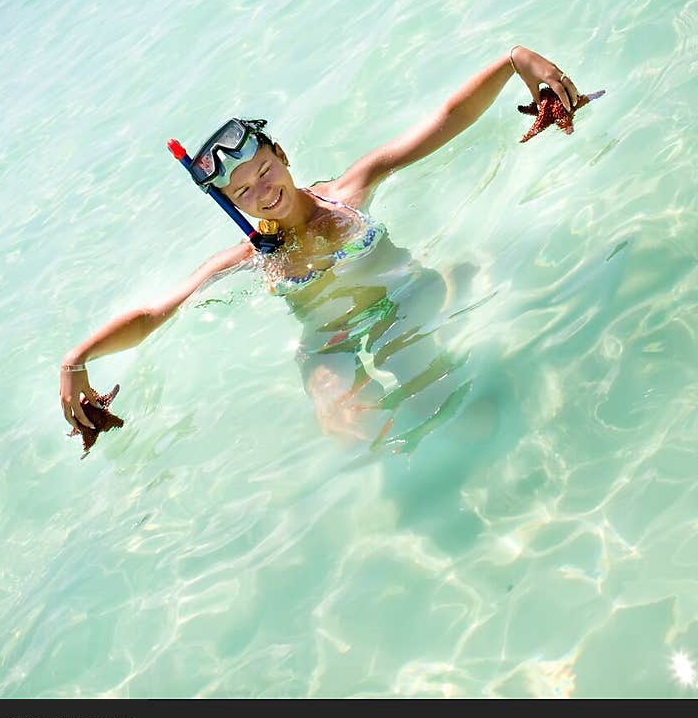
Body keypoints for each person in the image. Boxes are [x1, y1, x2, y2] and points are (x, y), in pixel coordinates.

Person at [59, 45, 583, 445]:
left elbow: (445, 120)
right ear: (233, 205)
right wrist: (76, 359)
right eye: (242, 191)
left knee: (459, 389)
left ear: (282, 154)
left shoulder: (351, 192)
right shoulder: (251, 256)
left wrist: (515, 62)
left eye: (265, 170)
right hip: (329, 343)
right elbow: (156, 313)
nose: (263, 192)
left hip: (402, 302)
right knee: (359, 432)